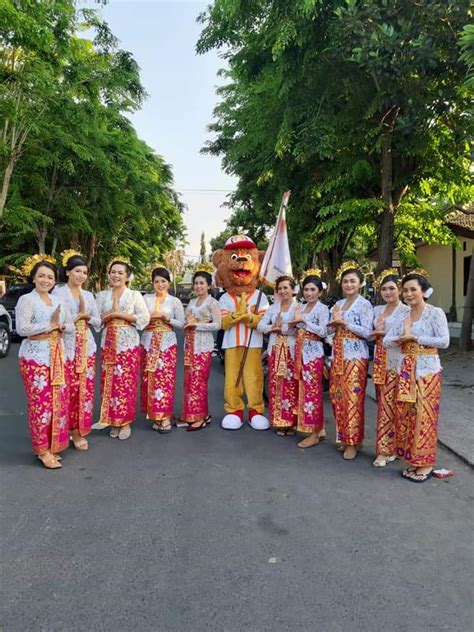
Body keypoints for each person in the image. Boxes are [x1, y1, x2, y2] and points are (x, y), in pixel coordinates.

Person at [384, 270, 449, 483]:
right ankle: (414, 460)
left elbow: (444, 341)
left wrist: (415, 337)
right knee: (409, 417)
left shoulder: (435, 312)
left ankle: (426, 463)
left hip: (427, 371)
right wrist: (400, 339)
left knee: (425, 416)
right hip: (406, 371)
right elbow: (386, 340)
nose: (409, 294)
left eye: (413, 289)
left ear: (423, 291)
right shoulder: (402, 315)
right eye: (405, 290)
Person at [16, 256, 71, 469]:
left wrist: (63, 326)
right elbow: (22, 329)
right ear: (33, 278)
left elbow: (69, 324)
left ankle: (53, 444)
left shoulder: (57, 300)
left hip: (57, 354)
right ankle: (42, 450)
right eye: (41, 276)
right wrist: (49, 326)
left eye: (50, 277)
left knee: (58, 401)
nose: (46, 280)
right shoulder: (27, 300)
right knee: (41, 404)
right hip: (35, 356)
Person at [96, 259, 149, 440]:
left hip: (127, 344)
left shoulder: (134, 295)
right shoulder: (102, 296)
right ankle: (112, 419)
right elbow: (95, 320)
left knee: (125, 383)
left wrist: (120, 314)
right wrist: (110, 312)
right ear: (109, 274)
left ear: (127, 276)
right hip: (108, 344)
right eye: (113, 272)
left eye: (120, 272)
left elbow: (144, 318)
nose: (116, 275)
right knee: (108, 383)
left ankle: (125, 421)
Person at [53, 251, 101, 450]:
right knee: (67, 390)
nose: (81, 275)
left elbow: (98, 322)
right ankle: (64, 431)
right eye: (77, 271)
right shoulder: (57, 293)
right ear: (67, 272)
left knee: (85, 390)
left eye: (84, 272)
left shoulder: (89, 295)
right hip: (66, 345)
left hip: (86, 346)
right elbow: (57, 320)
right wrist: (77, 315)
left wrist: (86, 316)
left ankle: (79, 431)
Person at [328, 262, 373, 460]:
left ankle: (353, 442)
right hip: (338, 355)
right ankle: (345, 437)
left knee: (353, 400)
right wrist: (330, 327)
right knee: (338, 398)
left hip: (355, 357)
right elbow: (329, 330)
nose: (348, 285)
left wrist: (344, 323)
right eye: (345, 281)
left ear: (361, 283)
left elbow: (368, 332)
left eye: (352, 281)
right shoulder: (338, 305)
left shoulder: (364, 305)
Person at [371, 269, 410, 467]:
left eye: (392, 288)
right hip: (379, 361)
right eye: (384, 289)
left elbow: (405, 335)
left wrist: (383, 332)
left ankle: (390, 449)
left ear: (400, 290)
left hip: (398, 361)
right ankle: (387, 448)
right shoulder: (377, 310)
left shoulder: (406, 311)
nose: (388, 292)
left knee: (397, 407)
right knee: (383, 405)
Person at [140, 265, 184, 433]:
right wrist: (148, 318)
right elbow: (140, 319)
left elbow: (181, 324)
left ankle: (165, 416)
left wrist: (167, 319)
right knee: (149, 378)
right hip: (148, 341)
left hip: (167, 343)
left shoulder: (175, 301)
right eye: (156, 281)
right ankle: (154, 414)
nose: (160, 285)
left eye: (163, 281)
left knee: (165, 380)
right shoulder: (146, 299)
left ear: (169, 282)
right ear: (152, 283)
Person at [292, 269, 330, 449]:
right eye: (306, 289)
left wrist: (304, 322)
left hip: (313, 353)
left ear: (319, 292)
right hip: (300, 351)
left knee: (312, 393)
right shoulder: (301, 306)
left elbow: (324, 331)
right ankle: (319, 427)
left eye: (313, 290)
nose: (309, 293)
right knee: (304, 390)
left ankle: (313, 433)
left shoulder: (322, 309)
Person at [180, 266, 221, 430]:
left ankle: (201, 416)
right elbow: (186, 322)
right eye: (196, 283)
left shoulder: (212, 302)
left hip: (203, 346)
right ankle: (190, 414)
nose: (198, 286)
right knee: (189, 381)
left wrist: (197, 324)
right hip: (190, 345)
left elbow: (218, 325)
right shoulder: (191, 302)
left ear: (209, 285)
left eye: (202, 283)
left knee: (199, 382)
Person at [257, 276, 299, 436]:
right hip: (275, 349)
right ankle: (279, 421)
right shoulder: (273, 308)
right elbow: (260, 326)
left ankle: (292, 422)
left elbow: (298, 328)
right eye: (280, 288)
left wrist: (282, 328)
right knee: (275, 385)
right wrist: (272, 328)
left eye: (285, 288)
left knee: (290, 385)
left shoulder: (298, 308)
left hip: (291, 351)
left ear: (293, 290)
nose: (282, 291)